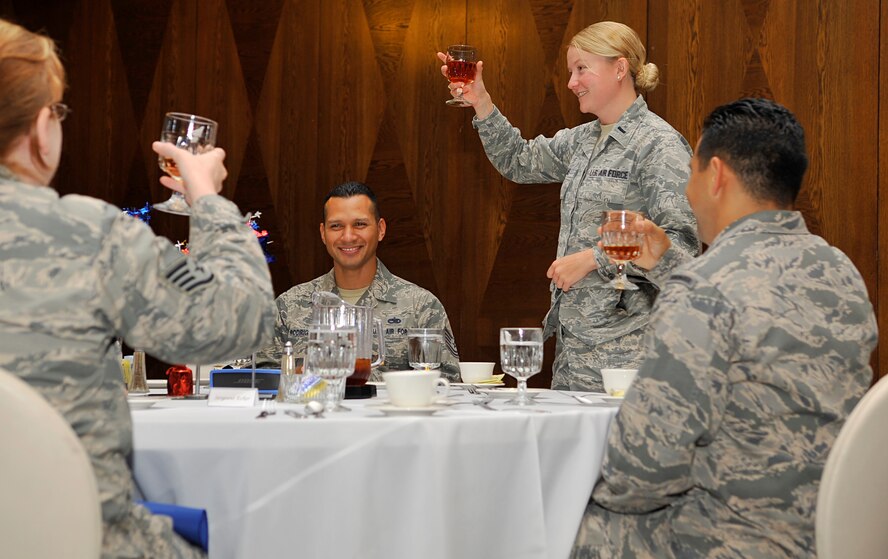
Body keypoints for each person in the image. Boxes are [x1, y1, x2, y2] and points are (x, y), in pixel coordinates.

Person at [0, 19, 276, 559]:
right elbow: (239, 322)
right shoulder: (89, 236)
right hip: (79, 539)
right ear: (38, 126)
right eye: (58, 111)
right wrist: (208, 199)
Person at [570, 98, 878, 558]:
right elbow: (747, 304)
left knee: (560, 520)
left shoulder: (703, 288)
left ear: (715, 176)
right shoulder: (841, 272)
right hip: (830, 532)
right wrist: (666, 263)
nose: (688, 190)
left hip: (725, 538)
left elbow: (642, 470)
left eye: (691, 172)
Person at [438, 21, 699, 392]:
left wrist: (595, 258)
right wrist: (481, 102)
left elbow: (682, 249)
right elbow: (519, 160)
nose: (571, 82)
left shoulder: (659, 145)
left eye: (581, 69)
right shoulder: (584, 139)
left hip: (631, 359)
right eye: (570, 71)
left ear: (620, 68)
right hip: (573, 353)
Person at [256, 181, 460, 381]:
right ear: (323, 233)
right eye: (336, 226)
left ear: (380, 229)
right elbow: (262, 379)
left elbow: (447, 382)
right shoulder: (288, 307)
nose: (348, 237)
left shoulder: (421, 306)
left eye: (360, 224)